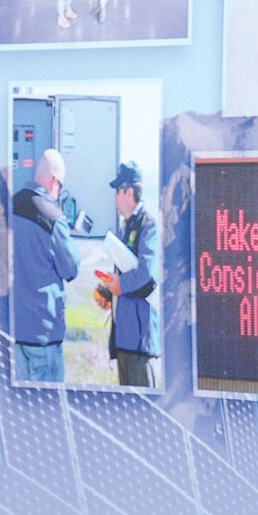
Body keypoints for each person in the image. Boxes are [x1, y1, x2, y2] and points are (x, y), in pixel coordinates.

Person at [10, 148, 80, 382]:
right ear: (53, 181)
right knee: (47, 413)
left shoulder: (10, 206)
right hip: (43, 333)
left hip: (13, 330)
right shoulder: (53, 218)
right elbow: (71, 269)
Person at [96, 162, 163, 388]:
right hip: (125, 339)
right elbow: (125, 271)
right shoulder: (125, 228)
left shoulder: (149, 225)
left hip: (141, 344)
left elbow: (146, 273)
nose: (115, 197)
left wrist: (120, 285)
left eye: (118, 191)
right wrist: (107, 290)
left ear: (129, 192)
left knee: (145, 414)